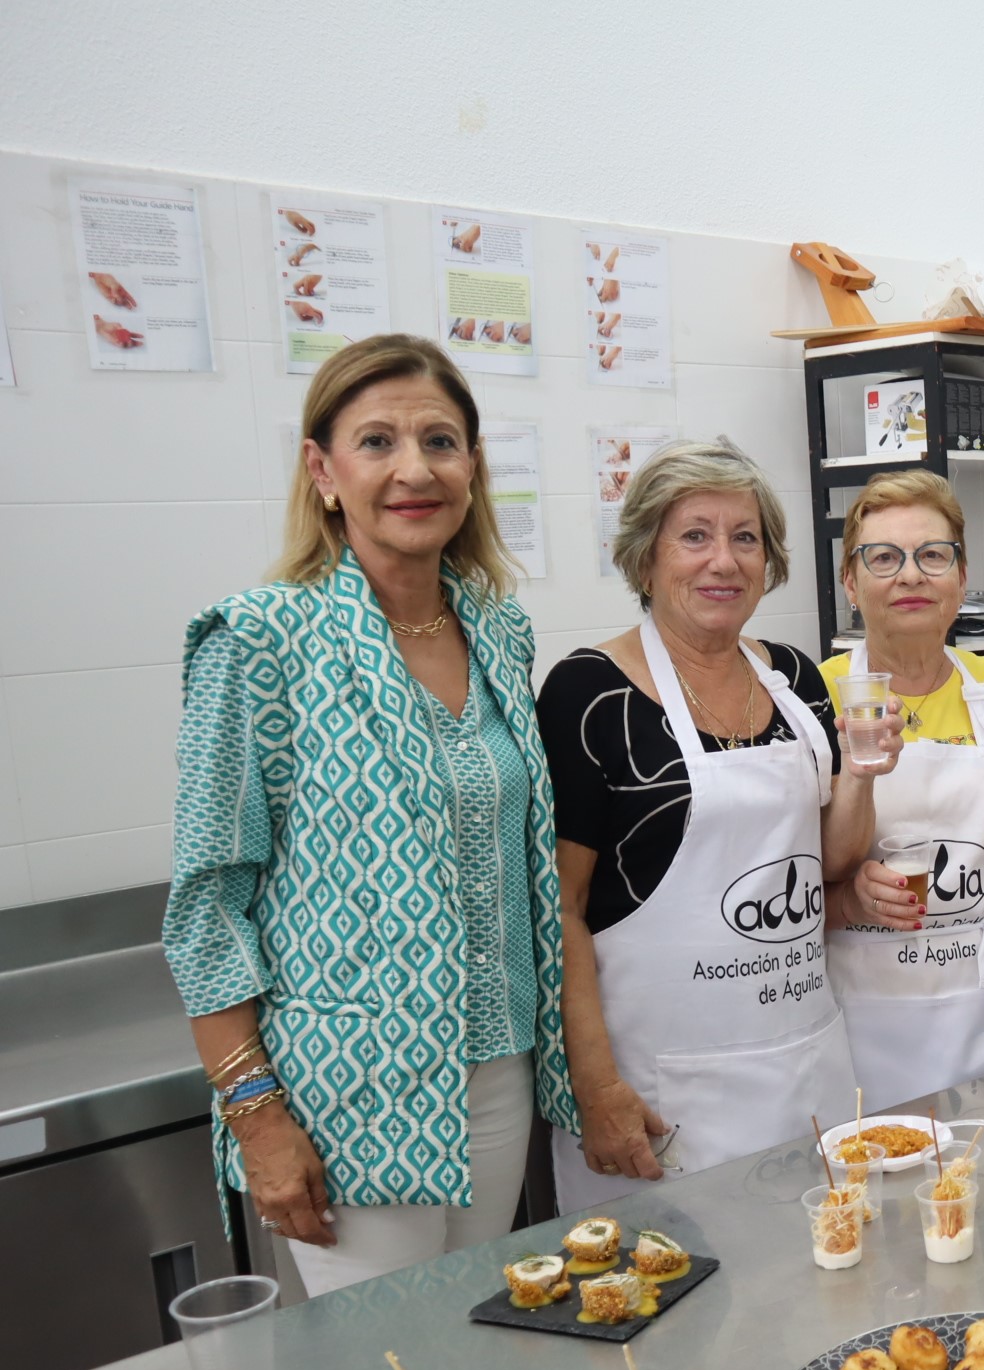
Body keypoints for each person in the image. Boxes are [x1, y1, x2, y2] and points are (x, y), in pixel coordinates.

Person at [163, 334, 565, 1293]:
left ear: (472, 466)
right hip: (350, 1092)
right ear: (323, 469)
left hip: (501, 1072)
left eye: (441, 441)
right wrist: (258, 1118)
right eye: (377, 442)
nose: (414, 470)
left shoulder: (498, 628)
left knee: (477, 1355)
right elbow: (206, 906)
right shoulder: (261, 639)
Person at [537, 437, 899, 1210]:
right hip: (665, 1088)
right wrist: (594, 1086)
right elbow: (559, 908)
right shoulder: (588, 695)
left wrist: (862, 776)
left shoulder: (796, 678)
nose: (724, 561)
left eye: (746, 538)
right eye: (694, 536)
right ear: (645, 558)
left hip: (807, 1063)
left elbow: (831, 863)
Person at [820, 471, 984, 1101]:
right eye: (883, 558)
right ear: (851, 584)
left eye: (933, 556)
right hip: (866, 1013)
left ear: (962, 579)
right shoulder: (816, 693)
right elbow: (808, 867)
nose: (910, 576)